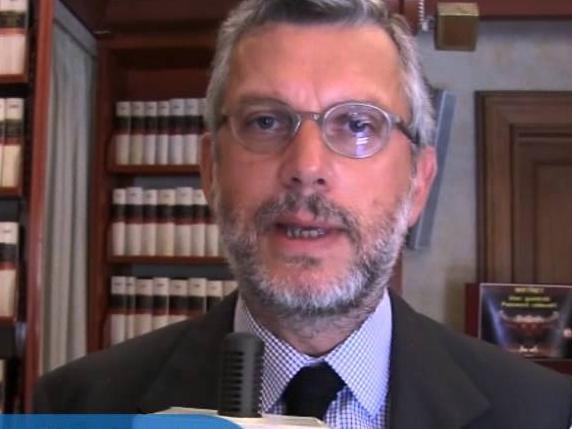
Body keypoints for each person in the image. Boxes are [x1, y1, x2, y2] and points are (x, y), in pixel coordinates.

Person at [34, 0, 572, 427]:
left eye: (357, 125)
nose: (307, 167)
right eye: (266, 121)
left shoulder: (543, 413)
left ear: (418, 184)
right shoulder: (79, 406)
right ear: (211, 171)